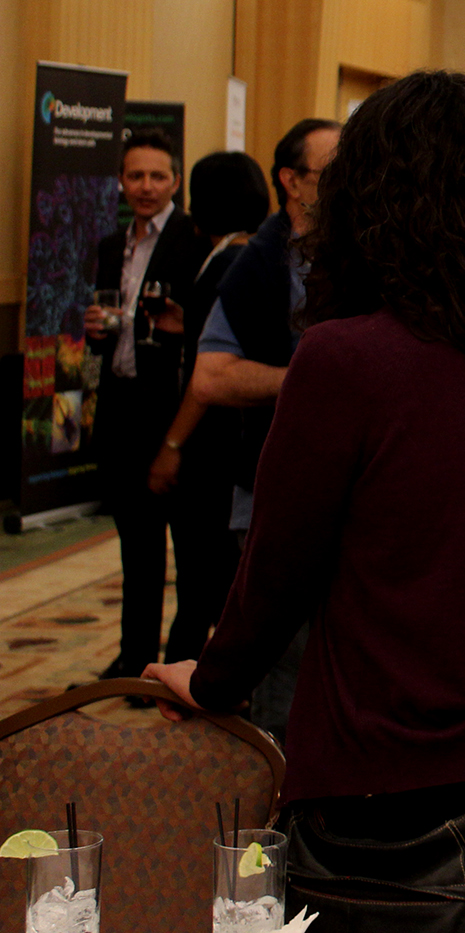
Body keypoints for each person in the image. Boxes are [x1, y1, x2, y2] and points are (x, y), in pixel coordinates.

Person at [145, 71, 465, 931]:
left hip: (407, 781)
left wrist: (213, 678)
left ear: (363, 206)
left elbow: (276, 575)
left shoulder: (345, 362)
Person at [186, 115, 339, 740]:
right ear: (291, 181)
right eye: (331, 173)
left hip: (343, 489)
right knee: (286, 662)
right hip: (273, 492)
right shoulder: (260, 262)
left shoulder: (355, 251)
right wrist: (310, 378)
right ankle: (276, 792)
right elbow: (210, 377)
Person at [82, 130, 210, 682]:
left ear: (176, 181)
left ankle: (181, 664)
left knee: (190, 548)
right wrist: (96, 329)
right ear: (120, 181)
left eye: (157, 176)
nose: (146, 186)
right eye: (135, 175)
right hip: (122, 406)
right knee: (136, 547)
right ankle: (134, 656)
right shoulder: (112, 245)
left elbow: (204, 328)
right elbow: (113, 326)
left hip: (176, 410)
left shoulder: (194, 240)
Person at [138, 151, 273, 664]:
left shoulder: (231, 260)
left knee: (203, 576)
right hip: (231, 439)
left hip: (215, 443)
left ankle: (186, 682)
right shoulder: (247, 252)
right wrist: (188, 319)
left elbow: (206, 379)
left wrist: (171, 445)